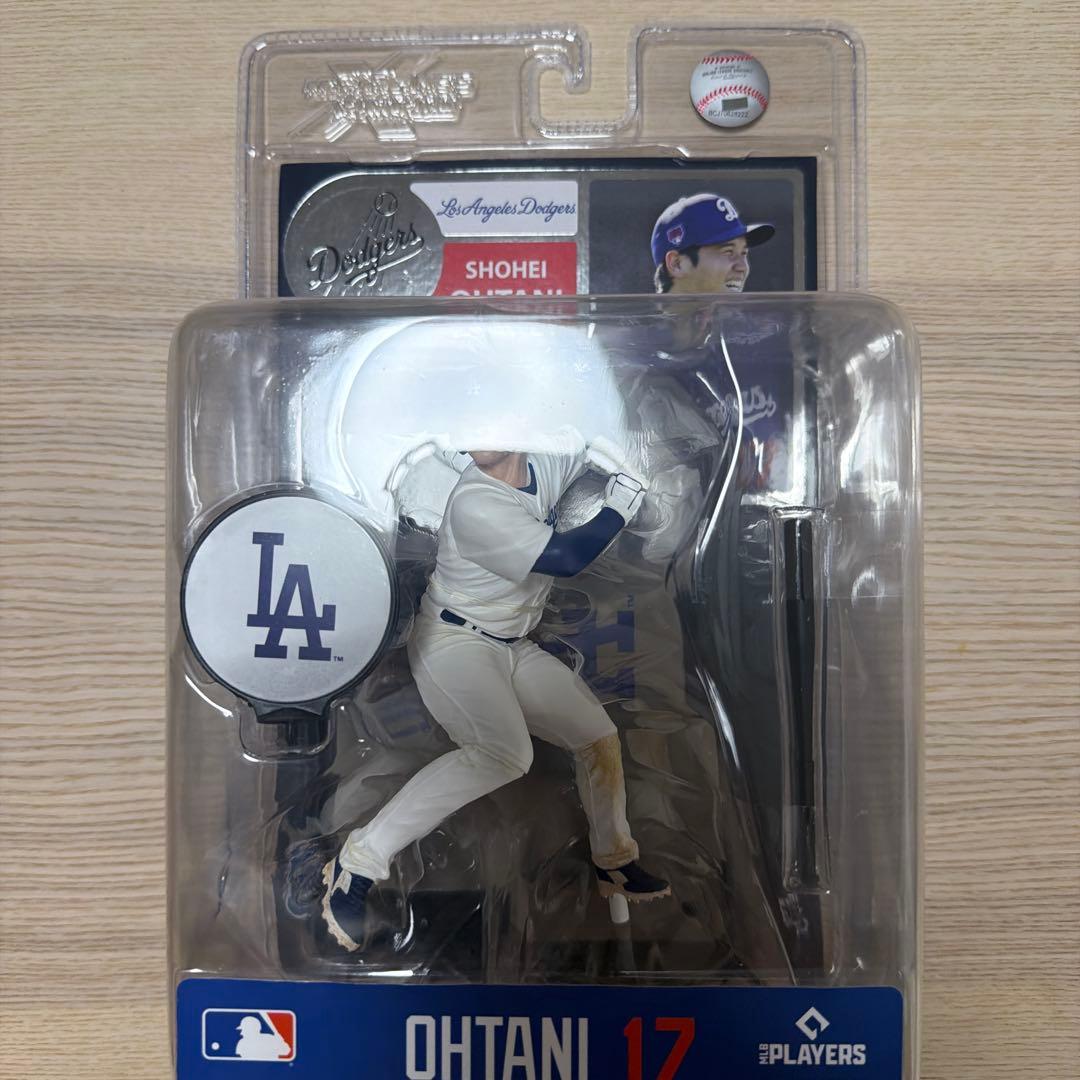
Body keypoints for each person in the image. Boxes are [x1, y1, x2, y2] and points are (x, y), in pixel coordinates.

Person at [320, 447, 671, 951]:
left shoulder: (544, 461)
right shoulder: (475, 501)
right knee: (503, 755)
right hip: (453, 642)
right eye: (468, 431)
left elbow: (590, 443)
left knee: (597, 737)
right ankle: (357, 862)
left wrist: (629, 456)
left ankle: (614, 862)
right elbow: (565, 558)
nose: (474, 438)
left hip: (511, 643)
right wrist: (619, 505)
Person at [651, 193, 774, 294]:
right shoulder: (640, 317)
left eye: (744, 253)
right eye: (728, 251)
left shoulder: (756, 318)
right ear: (676, 264)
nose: (742, 267)